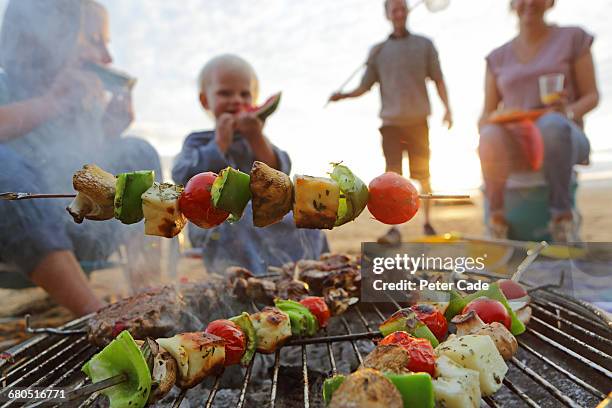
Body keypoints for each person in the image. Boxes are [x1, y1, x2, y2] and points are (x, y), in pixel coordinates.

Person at [0, 0, 161, 314]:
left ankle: (149, 296)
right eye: (94, 41)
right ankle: (96, 315)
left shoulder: (85, 103)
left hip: (79, 230)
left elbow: (85, 172)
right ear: (53, 37)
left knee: (138, 152)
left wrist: (108, 132)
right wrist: (51, 103)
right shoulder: (6, 84)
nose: (108, 57)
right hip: (16, 237)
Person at [172, 54, 329, 275]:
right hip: (216, 224)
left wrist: (256, 138)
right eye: (225, 93)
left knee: (307, 216)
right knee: (239, 218)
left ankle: (307, 273)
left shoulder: (255, 140)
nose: (236, 100)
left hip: (266, 221)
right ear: (205, 100)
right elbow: (182, 174)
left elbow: (280, 175)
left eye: (244, 94)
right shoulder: (197, 140)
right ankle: (255, 282)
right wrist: (219, 144)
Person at [328, 0, 452, 242]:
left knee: (423, 174)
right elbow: (364, 86)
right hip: (391, 123)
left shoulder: (425, 45)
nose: (398, 12)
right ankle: (395, 227)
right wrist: (342, 95)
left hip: (418, 121)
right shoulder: (377, 51)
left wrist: (448, 109)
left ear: (407, 11)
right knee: (392, 176)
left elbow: (438, 79)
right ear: (387, 14)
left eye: (401, 7)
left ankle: (427, 222)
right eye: (393, 8)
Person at [478, 0, 599, 242]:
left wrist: (568, 113)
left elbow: (592, 95)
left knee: (552, 126)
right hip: (516, 143)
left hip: (563, 135)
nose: (530, 2)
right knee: (489, 135)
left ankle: (562, 219)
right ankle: (496, 221)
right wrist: (495, 122)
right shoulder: (497, 58)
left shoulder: (573, 38)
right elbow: (486, 115)